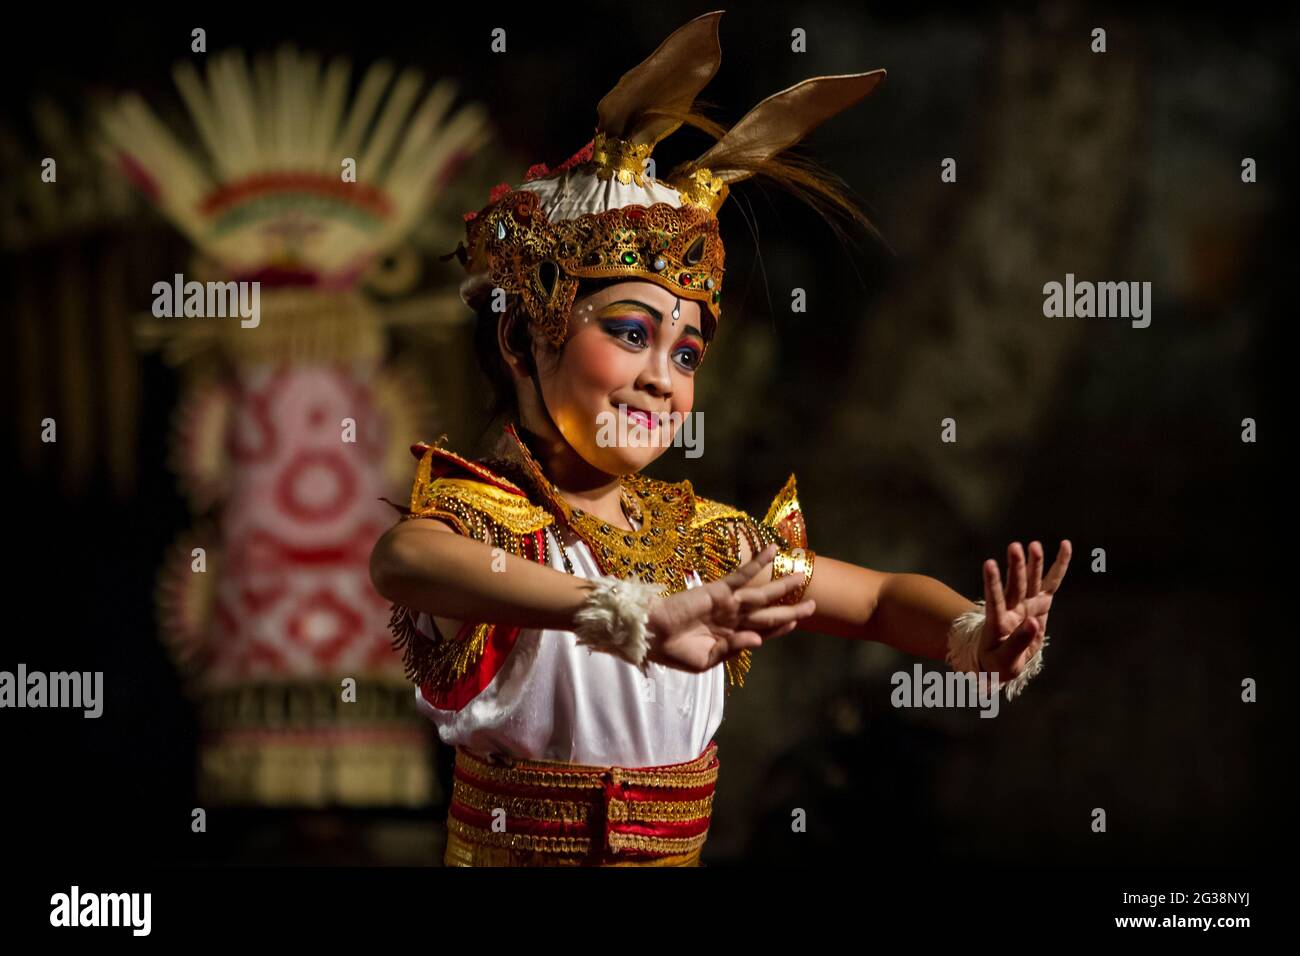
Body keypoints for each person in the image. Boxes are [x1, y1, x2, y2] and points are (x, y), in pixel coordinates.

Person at [368, 10, 1071, 867]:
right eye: (629, 332)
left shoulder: (701, 543)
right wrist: (624, 611)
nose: (663, 376)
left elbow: (881, 601)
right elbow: (404, 559)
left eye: (688, 350)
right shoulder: (493, 524)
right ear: (523, 342)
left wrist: (972, 634)